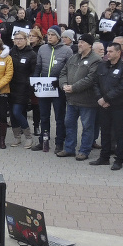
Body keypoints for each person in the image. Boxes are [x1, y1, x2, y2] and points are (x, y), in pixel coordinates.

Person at [90, 42, 123, 169]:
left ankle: (119, 159)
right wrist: (99, 98)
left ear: (118, 52)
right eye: (107, 51)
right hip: (103, 105)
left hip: (118, 105)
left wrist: (106, 98)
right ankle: (104, 157)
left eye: (110, 51)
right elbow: (95, 83)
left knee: (119, 132)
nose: (107, 53)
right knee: (105, 131)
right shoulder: (102, 66)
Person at [59, 34, 101, 159]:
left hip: (87, 101)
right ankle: (69, 148)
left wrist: (73, 88)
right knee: (69, 124)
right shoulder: (73, 58)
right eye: (79, 42)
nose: (80, 44)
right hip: (71, 100)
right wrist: (64, 85)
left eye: (82, 42)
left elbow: (91, 79)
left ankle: (84, 150)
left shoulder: (96, 60)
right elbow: (63, 72)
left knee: (87, 126)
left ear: (89, 44)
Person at [32, 25, 73, 153]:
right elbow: (38, 66)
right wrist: (34, 80)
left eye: (52, 35)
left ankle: (59, 142)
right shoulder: (42, 49)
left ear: (58, 37)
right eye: (48, 35)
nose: (49, 37)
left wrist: (61, 83)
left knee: (59, 117)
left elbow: (68, 71)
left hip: (58, 88)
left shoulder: (67, 50)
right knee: (44, 116)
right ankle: (43, 141)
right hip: (44, 87)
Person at [8, 30, 37, 148]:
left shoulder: (31, 54)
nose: (18, 41)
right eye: (16, 39)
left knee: (17, 112)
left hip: (24, 88)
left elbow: (34, 71)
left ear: (26, 40)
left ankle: (28, 137)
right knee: (12, 114)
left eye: (20, 39)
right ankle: (17, 137)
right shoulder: (11, 52)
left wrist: (29, 85)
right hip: (11, 87)